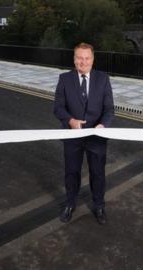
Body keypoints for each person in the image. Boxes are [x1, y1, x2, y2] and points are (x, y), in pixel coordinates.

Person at [53, 42, 114, 225]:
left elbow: (109, 109)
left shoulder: (103, 79)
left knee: (98, 173)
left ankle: (99, 206)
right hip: (72, 136)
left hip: (97, 136)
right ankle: (70, 204)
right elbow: (58, 108)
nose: (83, 61)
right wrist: (70, 121)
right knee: (71, 172)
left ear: (93, 60)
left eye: (87, 58)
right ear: (74, 59)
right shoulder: (64, 79)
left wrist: (103, 125)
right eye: (79, 58)